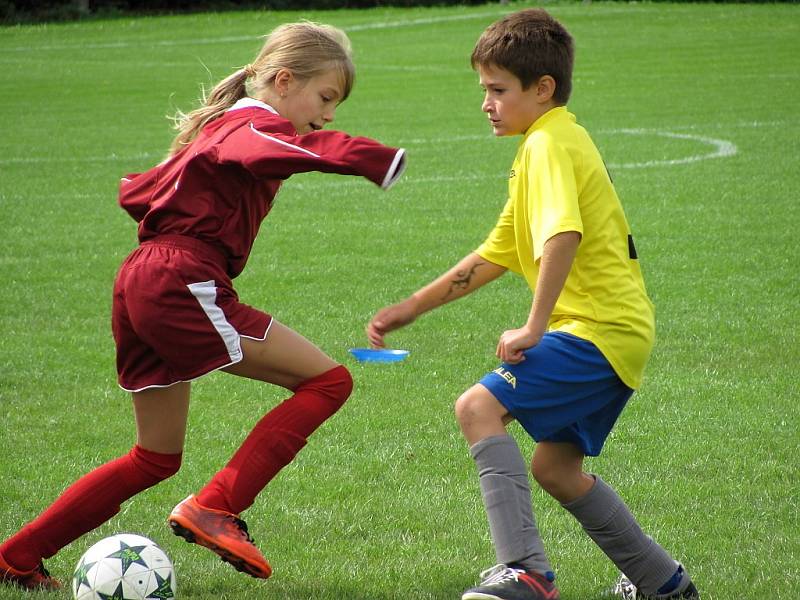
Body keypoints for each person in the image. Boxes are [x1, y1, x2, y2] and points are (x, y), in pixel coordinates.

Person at [0, 21, 405, 591]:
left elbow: (137, 192)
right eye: (327, 97)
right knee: (329, 382)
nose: (329, 114)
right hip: (181, 279)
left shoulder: (220, 124)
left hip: (142, 278)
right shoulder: (254, 123)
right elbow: (280, 145)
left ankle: (17, 556)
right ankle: (217, 506)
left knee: (155, 457)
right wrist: (370, 158)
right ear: (284, 80)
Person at [367, 9, 697, 600]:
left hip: (596, 330)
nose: (486, 103)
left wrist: (534, 326)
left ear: (542, 89)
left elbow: (561, 237)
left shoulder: (548, 143)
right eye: (484, 90)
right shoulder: (545, 143)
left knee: (477, 408)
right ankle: (663, 583)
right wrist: (409, 309)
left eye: (498, 90)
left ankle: (526, 573)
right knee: (555, 469)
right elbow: (492, 256)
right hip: (618, 333)